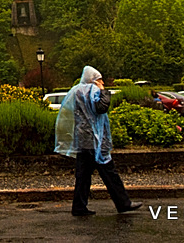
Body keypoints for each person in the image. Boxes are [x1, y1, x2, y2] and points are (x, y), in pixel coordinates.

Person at [55, 66, 142, 216]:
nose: (102, 82)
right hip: (95, 140)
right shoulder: (92, 90)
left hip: (83, 139)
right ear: (93, 79)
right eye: (99, 79)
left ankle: (79, 207)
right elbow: (101, 108)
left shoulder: (76, 90)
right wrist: (103, 91)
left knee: (83, 176)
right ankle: (123, 203)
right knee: (109, 172)